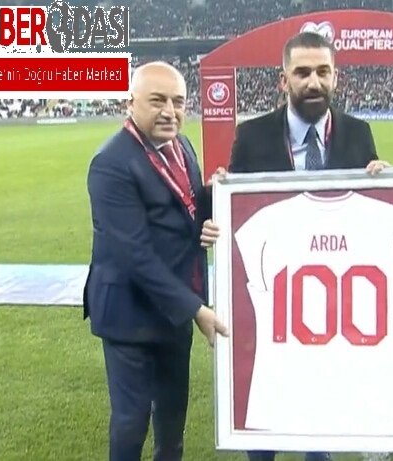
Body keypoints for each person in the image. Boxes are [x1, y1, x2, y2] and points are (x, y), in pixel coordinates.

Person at [202, 31, 389, 461]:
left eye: (323, 71)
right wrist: (220, 199)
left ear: (336, 77)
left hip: (331, 298)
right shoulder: (252, 135)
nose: (313, 82)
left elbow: (367, 218)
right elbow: (235, 216)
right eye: (302, 72)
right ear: (283, 80)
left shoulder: (358, 134)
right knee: (265, 407)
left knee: (319, 403)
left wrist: (384, 183)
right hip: (272, 296)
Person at [83, 61, 229, 461]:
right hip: (129, 313)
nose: (170, 111)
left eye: (178, 102)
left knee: (172, 421)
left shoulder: (182, 146)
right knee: (131, 423)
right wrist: (195, 309)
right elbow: (134, 254)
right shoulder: (111, 162)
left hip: (174, 308)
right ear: (130, 103)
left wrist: (218, 197)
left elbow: (187, 209)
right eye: (157, 101)